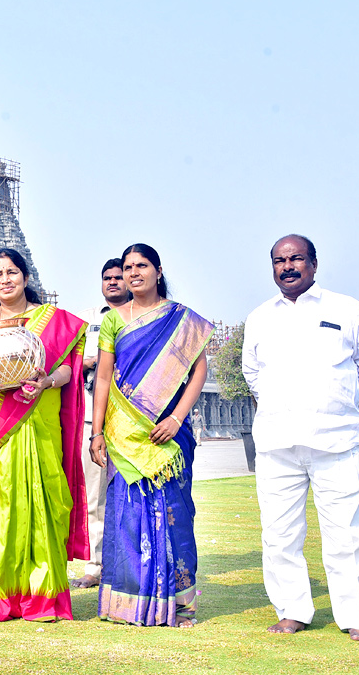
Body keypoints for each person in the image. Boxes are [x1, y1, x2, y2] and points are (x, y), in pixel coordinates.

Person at [242, 234, 359, 642]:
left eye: (296, 258)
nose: (287, 266)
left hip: (335, 440)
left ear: (314, 264)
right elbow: (253, 373)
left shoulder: (347, 309)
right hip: (276, 442)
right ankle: (292, 611)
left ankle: (358, 617)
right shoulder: (259, 317)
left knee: (347, 534)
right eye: (279, 260)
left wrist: (336, 402)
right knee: (279, 535)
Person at [90, 243, 211, 628]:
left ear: (158, 271)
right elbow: (104, 378)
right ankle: (129, 604)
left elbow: (198, 371)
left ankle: (180, 605)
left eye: (141, 266)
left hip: (169, 434)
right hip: (124, 435)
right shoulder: (112, 320)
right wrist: (96, 433)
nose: (133, 273)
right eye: (127, 268)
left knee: (176, 516)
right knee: (126, 517)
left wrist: (176, 418)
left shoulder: (182, 321)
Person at [0, 247, 89, 621]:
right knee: (1, 509)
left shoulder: (53, 321)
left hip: (39, 417)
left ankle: (44, 599)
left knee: (44, 500)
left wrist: (46, 381)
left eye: (12, 272)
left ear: (26, 276)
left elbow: (67, 369)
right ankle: (5, 599)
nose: (6, 279)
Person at [71, 257, 129, 590]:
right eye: (107, 278)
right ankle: (96, 564)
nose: (113, 282)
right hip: (94, 419)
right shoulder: (87, 321)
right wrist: (92, 361)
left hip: (134, 420)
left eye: (119, 277)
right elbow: (66, 361)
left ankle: (134, 560)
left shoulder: (144, 317)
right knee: (95, 496)